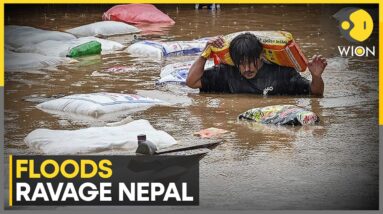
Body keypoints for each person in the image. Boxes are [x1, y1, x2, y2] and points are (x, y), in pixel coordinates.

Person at [186, 33, 327, 96]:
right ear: (234, 62)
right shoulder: (226, 73)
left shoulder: (281, 74)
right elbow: (192, 82)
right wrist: (205, 53)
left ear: (260, 57)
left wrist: (316, 77)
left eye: (251, 63)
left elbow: (315, 93)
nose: (247, 69)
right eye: (241, 64)